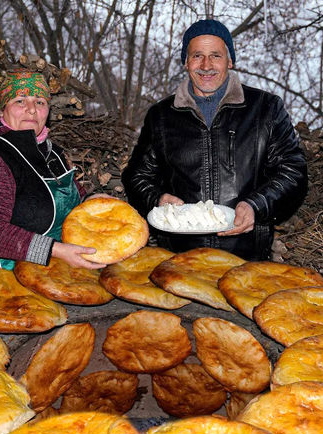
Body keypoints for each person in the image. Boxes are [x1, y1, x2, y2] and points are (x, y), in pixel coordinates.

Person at [121, 19, 307, 261]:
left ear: (230, 61)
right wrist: (157, 199)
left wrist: (256, 205)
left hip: (247, 259)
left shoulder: (265, 109)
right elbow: (136, 176)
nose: (206, 65)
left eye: (215, 56)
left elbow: (294, 172)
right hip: (178, 259)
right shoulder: (161, 116)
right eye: (197, 55)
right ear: (186, 62)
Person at [0, 70, 105, 270]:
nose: (31, 109)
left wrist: (93, 202)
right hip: (4, 281)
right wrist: (53, 250)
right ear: (3, 110)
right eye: (20, 101)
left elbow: (71, 200)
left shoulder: (51, 152)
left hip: (57, 273)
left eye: (40, 102)